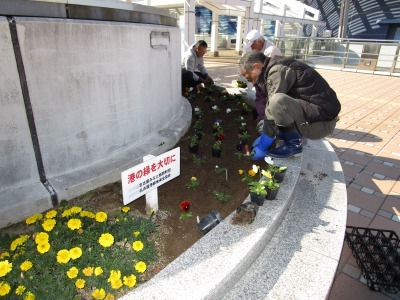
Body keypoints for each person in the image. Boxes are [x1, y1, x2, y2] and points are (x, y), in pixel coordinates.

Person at [239, 51, 341, 159]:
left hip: (321, 125)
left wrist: (263, 145)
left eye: (249, 77)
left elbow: (271, 108)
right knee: (277, 103)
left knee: (277, 101)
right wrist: (268, 131)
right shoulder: (274, 67)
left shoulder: (277, 71)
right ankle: (286, 136)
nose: (250, 81)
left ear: (257, 66)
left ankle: (293, 146)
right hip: (316, 116)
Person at [242, 30, 282, 133]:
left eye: (252, 45)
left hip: (275, 83)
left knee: (268, 99)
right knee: (256, 94)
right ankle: (263, 119)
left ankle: (269, 125)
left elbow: (272, 81)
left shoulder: (271, 51)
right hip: (265, 81)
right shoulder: (258, 50)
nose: (251, 48)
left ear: (259, 42)